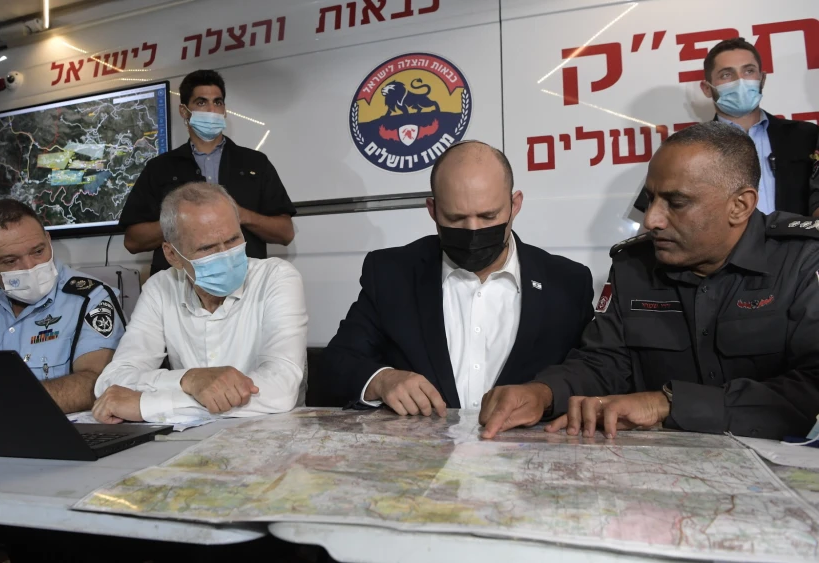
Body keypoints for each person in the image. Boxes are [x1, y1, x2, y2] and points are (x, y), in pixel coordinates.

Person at [479, 122, 819, 441]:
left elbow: (812, 387)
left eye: (676, 202)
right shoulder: (633, 265)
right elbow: (604, 363)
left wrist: (668, 404)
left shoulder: (804, 262)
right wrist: (544, 393)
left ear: (739, 206)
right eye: (650, 199)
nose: (653, 219)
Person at [322, 141, 594, 416]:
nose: (473, 230)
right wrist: (382, 380)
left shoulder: (568, 283)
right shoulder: (392, 273)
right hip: (424, 456)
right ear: (432, 210)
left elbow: (594, 373)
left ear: (515, 205)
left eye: (489, 216)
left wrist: (545, 394)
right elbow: (337, 364)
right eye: (455, 218)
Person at [93, 182, 306, 423]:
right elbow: (113, 381)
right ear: (172, 255)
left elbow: (280, 390)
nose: (226, 255)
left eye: (233, 239)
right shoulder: (160, 288)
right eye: (207, 248)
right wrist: (190, 379)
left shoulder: (277, 278)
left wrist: (145, 405)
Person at [0, 200, 124, 413]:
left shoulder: (91, 299)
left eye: (38, 251)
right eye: (10, 261)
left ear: (49, 241)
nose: (30, 266)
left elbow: (95, 383)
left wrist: (3, 402)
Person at [118, 69, 297, 275]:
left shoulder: (255, 163)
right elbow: (133, 241)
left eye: (218, 102)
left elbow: (285, 232)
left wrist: (241, 215)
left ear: (225, 110)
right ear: (184, 111)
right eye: (202, 103)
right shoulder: (160, 168)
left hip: (244, 285)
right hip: (180, 289)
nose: (212, 110)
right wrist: (182, 221)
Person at [634, 38, 819, 216]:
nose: (740, 81)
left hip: (800, 247)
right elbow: (657, 215)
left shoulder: (807, 136)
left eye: (748, 71)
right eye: (726, 75)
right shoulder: (685, 149)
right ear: (707, 89)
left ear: (762, 79)